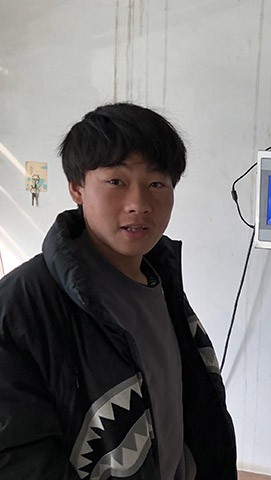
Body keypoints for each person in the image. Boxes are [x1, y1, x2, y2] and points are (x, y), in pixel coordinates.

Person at [0, 103, 237, 479]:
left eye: (156, 184)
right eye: (116, 182)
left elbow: (190, 410)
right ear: (77, 188)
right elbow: (17, 456)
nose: (139, 204)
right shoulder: (22, 304)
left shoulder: (161, 281)